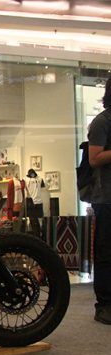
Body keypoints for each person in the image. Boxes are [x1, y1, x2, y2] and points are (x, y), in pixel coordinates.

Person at [87, 76, 111, 324]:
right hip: (106, 198)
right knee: (105, 252)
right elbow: (94, 158)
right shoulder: (102, 121)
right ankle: (104, 304)